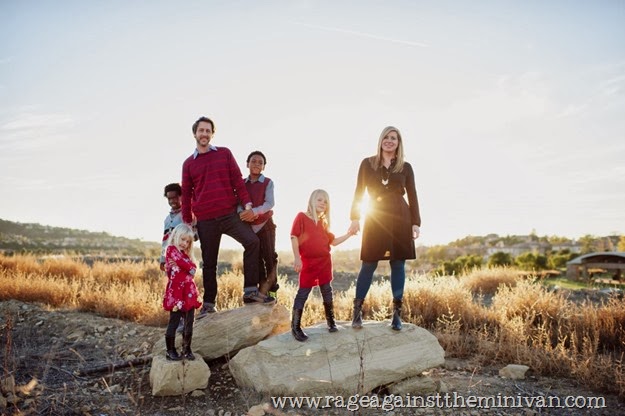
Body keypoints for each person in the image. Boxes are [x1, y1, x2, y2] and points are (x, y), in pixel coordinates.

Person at [181, 116, 274, 318]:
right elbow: (186, 194)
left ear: (212, 134)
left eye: (208, 131)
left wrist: (247, 204)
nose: (204, 134)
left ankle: (250, 292)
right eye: (201, 130)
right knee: (209, 263)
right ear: (195, 133)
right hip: (206, 220)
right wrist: (188, 224)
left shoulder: (224, 154)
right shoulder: (188, 164)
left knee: (252, 242)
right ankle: (208, 304)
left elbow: (237, 182)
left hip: (230, 214)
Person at [347, 126, 421, 331]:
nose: (389, 141)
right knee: (368, 264)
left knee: (398, 265)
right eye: (386, 137)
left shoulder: (405, 167)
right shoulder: (367, 163)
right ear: (380, 140)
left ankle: (396, 316)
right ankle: (357, 313)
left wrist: (416, 222)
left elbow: (412, 195)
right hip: (375, 215)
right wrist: (355, 217)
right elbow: (359, 191)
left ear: (399, 143)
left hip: (400, 217)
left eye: (394, 138)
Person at [290, 189, 354, 342]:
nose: (323, 204)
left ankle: (331, 321)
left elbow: (334, 242)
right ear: (312, 200)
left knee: (327, 290)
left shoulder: (323, 223)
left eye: (325, 202)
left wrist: (349, 234)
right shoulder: (302, 217)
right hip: (308, 263)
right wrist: (297, 258)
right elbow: (294, 237)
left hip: (324, 262)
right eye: (319, 200)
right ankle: (295, 326)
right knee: (303, 293)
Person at [240, 150, 280, 299]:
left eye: (260, 162)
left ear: (264, 167)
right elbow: (239, 203)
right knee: (255, 259)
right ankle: (260, 292)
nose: (256, 164)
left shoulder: (268, 182)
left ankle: (272, 291)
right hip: (249, 226)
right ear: (247, 164)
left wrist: (254, 212)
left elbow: (270, 203)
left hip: (266, 225)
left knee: (269, 257)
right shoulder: (242, 184)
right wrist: (243, 214)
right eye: (253, 161)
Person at [162, 223, 202, 361]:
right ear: (176, 237)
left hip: (189, 292)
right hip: (176, 293)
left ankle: (187, 349)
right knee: (174, 321)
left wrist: (187, 266)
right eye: (183, 239)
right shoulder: (171, 250)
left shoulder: (186, 254)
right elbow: (187, 266)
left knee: (189, 322)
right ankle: (170, 350)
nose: (185, 243)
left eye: (188, 241)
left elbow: (193, 270)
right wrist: (187, 266)